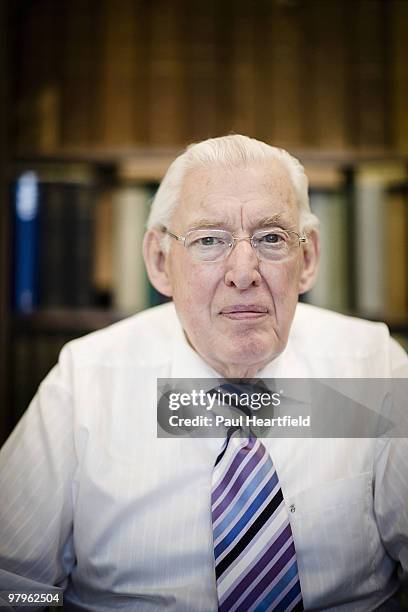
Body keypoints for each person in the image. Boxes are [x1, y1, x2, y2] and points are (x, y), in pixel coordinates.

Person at [0, 135, 407, 611]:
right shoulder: (85, 378)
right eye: (209, 240)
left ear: (308, 258)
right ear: (159, 262)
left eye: (271, 238)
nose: (243, 272)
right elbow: (12, 586)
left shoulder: (372, 365)